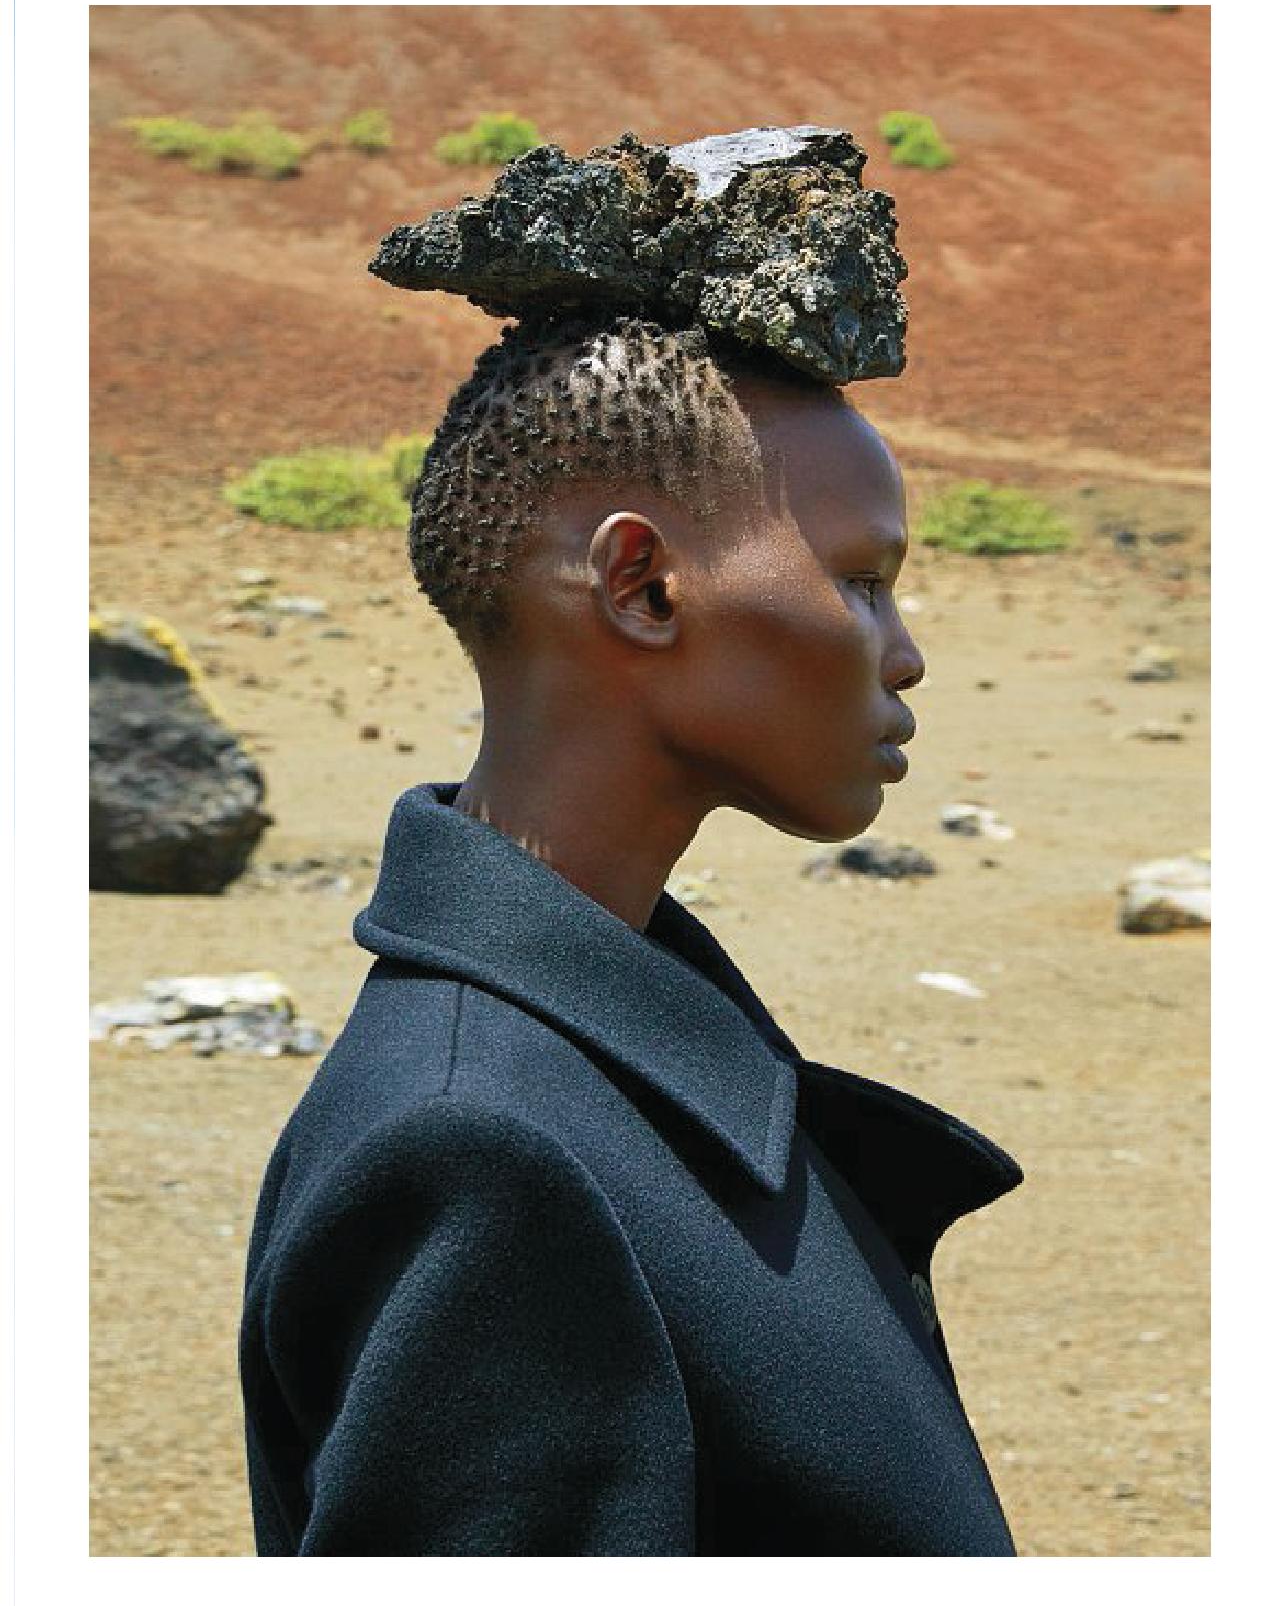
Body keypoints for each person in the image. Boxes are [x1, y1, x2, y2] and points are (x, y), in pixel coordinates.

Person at [239, 310, 1024, 1556]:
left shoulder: (600, 1067)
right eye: (862, 583)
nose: (906, 655)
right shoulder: (478, 1151)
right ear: (643, 586)